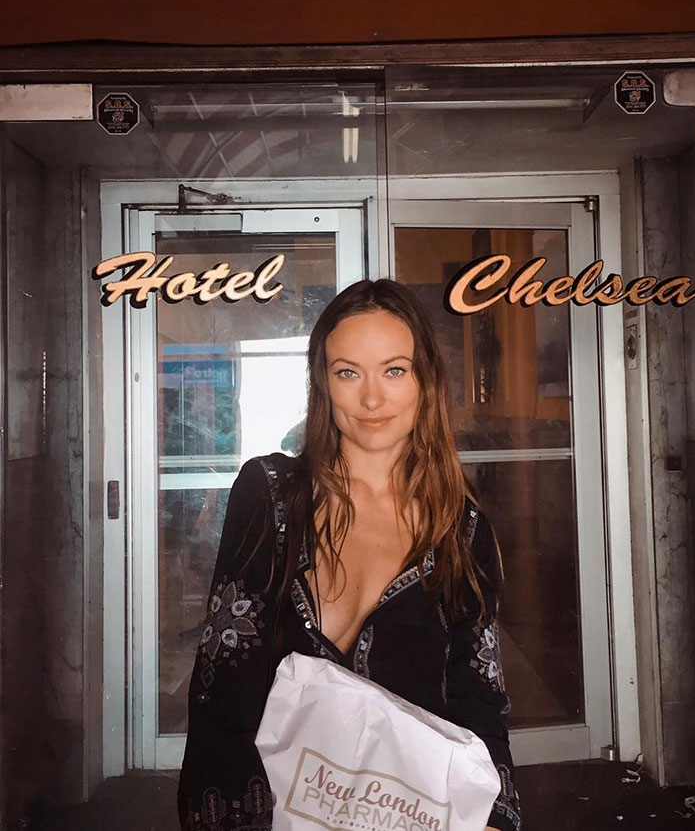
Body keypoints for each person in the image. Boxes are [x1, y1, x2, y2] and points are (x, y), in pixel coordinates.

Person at [178, 279, 521, 831]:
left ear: (426, 380)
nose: (372, 399)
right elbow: (222, 686)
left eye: (394, 370)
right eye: (347, 372)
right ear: (323, 383)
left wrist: (494, 818)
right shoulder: (270, 496)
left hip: (410, 814)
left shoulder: (461, 527)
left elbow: (479, 695)